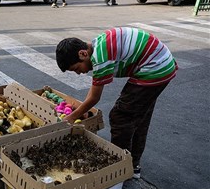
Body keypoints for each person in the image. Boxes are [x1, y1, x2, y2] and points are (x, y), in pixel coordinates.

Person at [55, 27, 178, 179]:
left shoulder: (100, 57)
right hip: (161, 64)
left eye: (76, 68)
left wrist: (72, 117)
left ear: (83, 53)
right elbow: (92, 93)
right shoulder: (97, 45)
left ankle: (119, 168)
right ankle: (133, 165)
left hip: (154, 70)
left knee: (121, 116)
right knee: (139, 115)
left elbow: (94, 98)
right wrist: (82, 109)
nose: (79, 73)